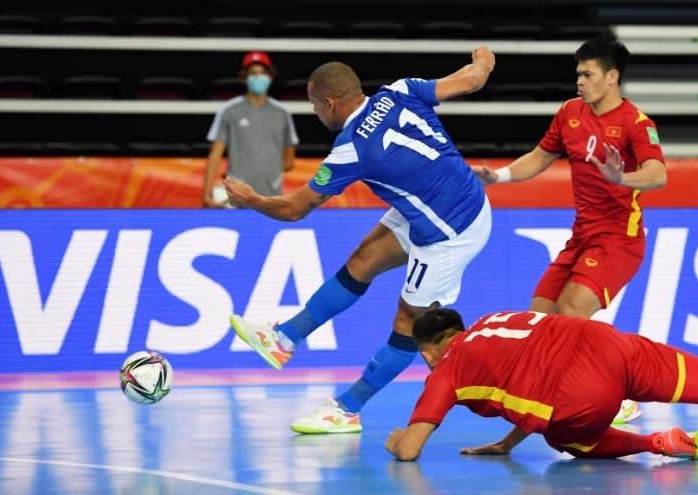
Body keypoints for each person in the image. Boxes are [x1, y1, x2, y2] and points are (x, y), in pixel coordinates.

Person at [224, 46, 497, 434]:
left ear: (331, 103)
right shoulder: (399, 90)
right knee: (364, 258)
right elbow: (472, 79)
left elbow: (294, 209)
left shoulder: (352, 148)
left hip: (451, 231)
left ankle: (347, 409)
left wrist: (251, 200)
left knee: (409, 321)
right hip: (440, 201)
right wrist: (484, 59)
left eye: (315, 106)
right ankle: (283, 338)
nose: (316, 114)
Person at [471, 31, 667, 425]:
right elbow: (541, 156)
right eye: (578, 73)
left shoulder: (635, 123)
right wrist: (501, 176)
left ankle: (618, 396)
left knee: (572, 311)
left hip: (619, 240)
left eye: (588, 74)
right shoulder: (569, 112)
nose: (580, 81)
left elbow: (658, 174)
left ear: (612, 77)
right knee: (540, 319)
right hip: (580, 238)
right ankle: (555, 400)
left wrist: (621, 177)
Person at [385, 308, 698, 468]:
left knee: (568, 439)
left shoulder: (446, 371)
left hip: (578, 395)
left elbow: (410, 451)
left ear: (429, 351)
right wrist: (508, 443)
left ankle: (655, 443)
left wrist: (396, 440)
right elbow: (528, 374)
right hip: (605, 342)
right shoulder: (496, 319)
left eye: (424, 354)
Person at [203, 51, 299, 207]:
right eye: (253, 73)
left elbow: (289, 161)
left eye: (262, 73)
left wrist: (265, 171)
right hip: (236, 199)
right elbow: (215, 154)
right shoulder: (229, 110)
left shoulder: (282, 112)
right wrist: (206, 196)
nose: (257, 77)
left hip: (272, 199)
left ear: (270, 77)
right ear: (244, 77)